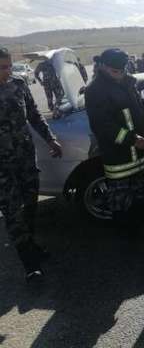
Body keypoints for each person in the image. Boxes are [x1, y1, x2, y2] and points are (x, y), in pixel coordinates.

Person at [0, 47, 63, 282]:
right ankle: (29, 264)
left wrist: (51, 139)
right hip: (2, 167)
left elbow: (34, 115)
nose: (7, 71)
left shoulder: (18, 84)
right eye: (1, 68)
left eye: (8, 66)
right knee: (13, 212)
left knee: (30, 205)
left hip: (26, 158)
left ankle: (30, 244)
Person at [85, 48, 144, 225]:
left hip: (141, 158)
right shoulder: (95, 90)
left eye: (122, 71)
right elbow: (102, 126)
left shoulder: (128, 83)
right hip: (119, 160)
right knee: (122, 205)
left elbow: (140, 109)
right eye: (115, 71)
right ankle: (126, 235)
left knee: (142, 202)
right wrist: (132, 139)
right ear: (103, 66)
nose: (119, 75)